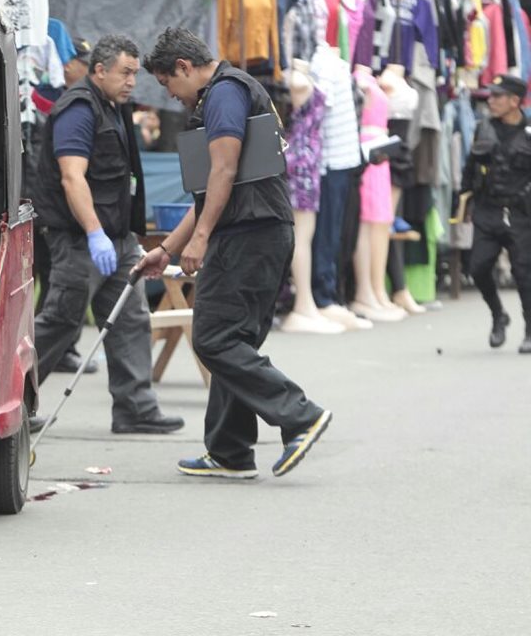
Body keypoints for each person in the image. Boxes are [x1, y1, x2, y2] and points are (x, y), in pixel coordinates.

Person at [136, 27, 331, 479]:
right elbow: (208, 192)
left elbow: (224, 167)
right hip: (256, 232)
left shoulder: (224, 93)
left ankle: (300, 416)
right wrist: (166, 249)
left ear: (185, 68)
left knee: (214, 337)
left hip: (250, 234)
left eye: (169, 84)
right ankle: (229, 449)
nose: (172, 96)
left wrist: (201, 238)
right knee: (231, 339)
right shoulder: (224, 94)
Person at [32, 34, 184, 435]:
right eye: (125, 72)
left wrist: (125, 235)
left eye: (136, 73)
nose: (132, 80)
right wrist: (96, 233)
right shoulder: (79, 110)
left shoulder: (114, 106)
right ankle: (9, 403)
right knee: (60, 323)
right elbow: (71, 176)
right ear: (99, 70)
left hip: (116, 238)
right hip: (82, 239)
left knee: (132, 319)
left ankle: (135, 408)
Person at [31, 36, 99, 375]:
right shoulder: (46, 99)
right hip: (43, 206)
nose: (85, 70)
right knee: (52, 281)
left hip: (53, 205)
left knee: (58, 282)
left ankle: (62, 350)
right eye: (82, 63)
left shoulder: (78, 101)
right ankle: (36, 357)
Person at [462, 73, 531, 352]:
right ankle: (498, 314)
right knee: (477, 268)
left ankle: (529, 330)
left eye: (497, 96)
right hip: (488, 210)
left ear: (515, 101)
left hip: (520, 213)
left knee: (524, 274)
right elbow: (470, 166)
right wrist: (463, 197)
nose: (491, 101)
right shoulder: (484, 129)